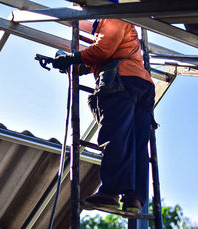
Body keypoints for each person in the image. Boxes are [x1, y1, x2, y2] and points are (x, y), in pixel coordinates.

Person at [52, 19, 155, 213]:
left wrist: (72, 58)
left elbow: (102, 51)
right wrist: (78, 65)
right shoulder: (122, 26)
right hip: (141, 86)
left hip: (122, 83)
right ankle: (135, 199)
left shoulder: (113, 18)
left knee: (115, 136)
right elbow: (106, 56)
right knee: (137, 144)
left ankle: (110, 193)